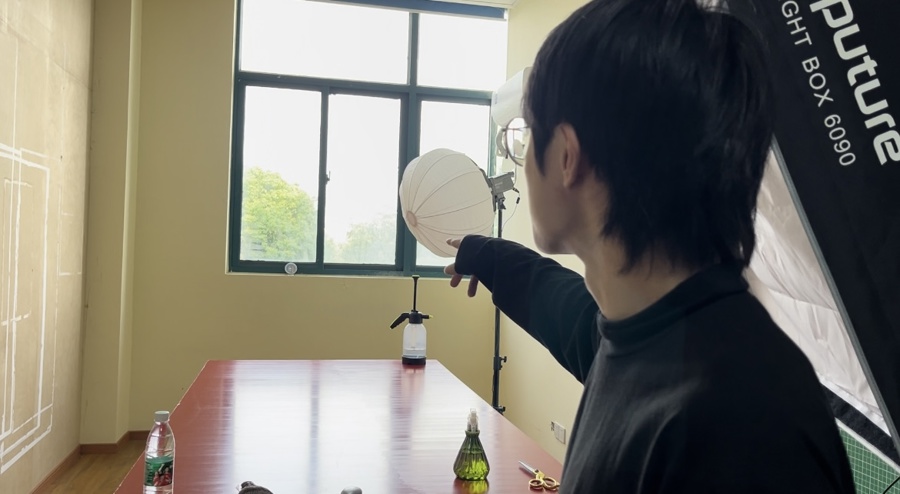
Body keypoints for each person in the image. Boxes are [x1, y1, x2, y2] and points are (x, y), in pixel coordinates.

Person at [444, 0, 856, 492]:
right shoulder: (659, 336)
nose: (522, 159)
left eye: (526, 136)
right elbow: (568, 315)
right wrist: (488, 256)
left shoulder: (738, 423)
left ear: (568, 156)